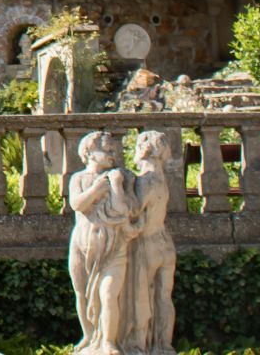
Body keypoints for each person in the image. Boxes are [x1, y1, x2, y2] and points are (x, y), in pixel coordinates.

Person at [68, 130, 134, 355]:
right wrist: (97, 189)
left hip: (113, 246)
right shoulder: (78, 178)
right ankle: (88, 336)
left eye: (113, 150)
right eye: (106, 149)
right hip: (82, 246)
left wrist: (115, 186)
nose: (112, 154)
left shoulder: (116, 178)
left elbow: (122, 210)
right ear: (89, 153)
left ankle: (108, 342)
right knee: (82, 293)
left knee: (108, 294)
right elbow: (77, 204)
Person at [126, 131, 177, 355]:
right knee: (164, 298)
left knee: (142, 297)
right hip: (165, 242)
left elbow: (134, 210)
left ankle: (140, 346)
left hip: (147, 243)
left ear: (144, 150)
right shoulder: (162, 178)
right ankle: (163, 346)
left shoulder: (145, 180)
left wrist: (123, 186)